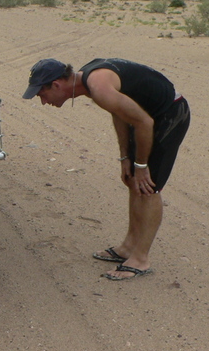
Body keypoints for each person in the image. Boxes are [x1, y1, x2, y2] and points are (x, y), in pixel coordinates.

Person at [22, 58, 190, 280]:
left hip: (169, 114)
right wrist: (126, 158)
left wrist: (141, 165)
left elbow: (145, 123)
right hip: (146, 116)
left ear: (56, 85)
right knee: (133, 179)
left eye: (41, 94)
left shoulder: (99, 87)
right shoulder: (88, 83)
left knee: (149, 186)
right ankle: (129, 246)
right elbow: (119, 112)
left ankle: (140, 259)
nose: (43, 101)